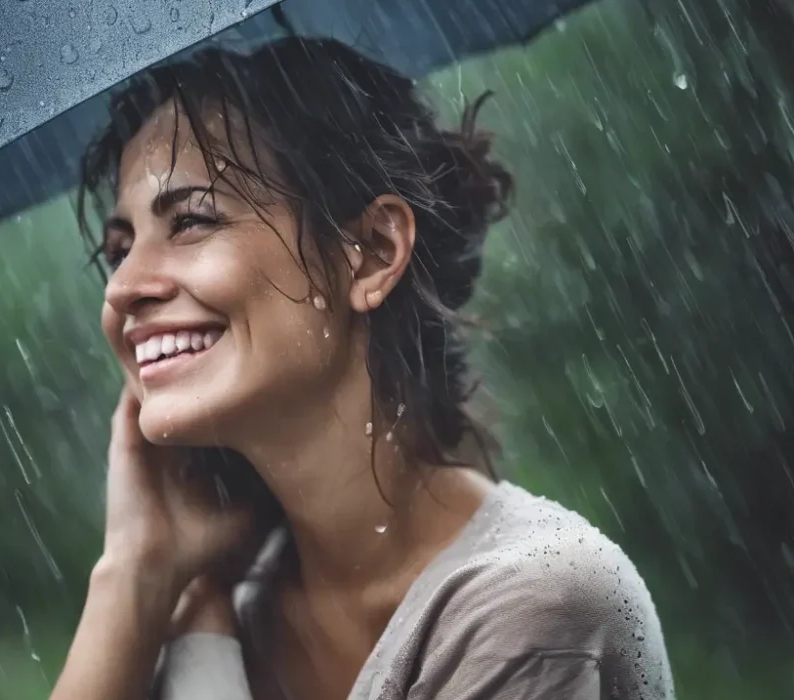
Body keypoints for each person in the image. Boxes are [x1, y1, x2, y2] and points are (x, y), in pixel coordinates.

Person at [51, 38, 675, 700]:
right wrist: (133, 577)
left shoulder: (533, 608)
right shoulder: (195, 607)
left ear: (373, 253)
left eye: (192, 222)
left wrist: (204, 657)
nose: (122, 290)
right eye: (120, 249)